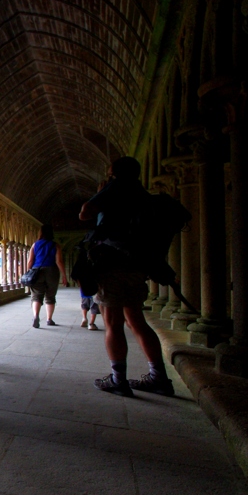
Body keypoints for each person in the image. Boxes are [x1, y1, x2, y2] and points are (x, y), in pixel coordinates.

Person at [80, 156, 174, 397]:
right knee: (136, 320)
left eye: (111, 174)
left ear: (116, 174)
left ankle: (118, 379)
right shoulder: (142, 194)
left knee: (112, 322)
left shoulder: (116, 187)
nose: (109, 177)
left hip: (113, 263)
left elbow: (85, 213)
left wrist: (100, 193)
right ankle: (159, 377)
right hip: (138, 264)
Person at [27, 224, 68, 328]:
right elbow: (59, 261)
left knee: (36, 295)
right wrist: (64, 275)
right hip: (52, 271)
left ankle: (36, 316)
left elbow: (30, 261)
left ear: (40, 233)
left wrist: (29, 273)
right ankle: (49, 319)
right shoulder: (55, 245)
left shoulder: (35, 245)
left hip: (37, 271)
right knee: (50, 296)